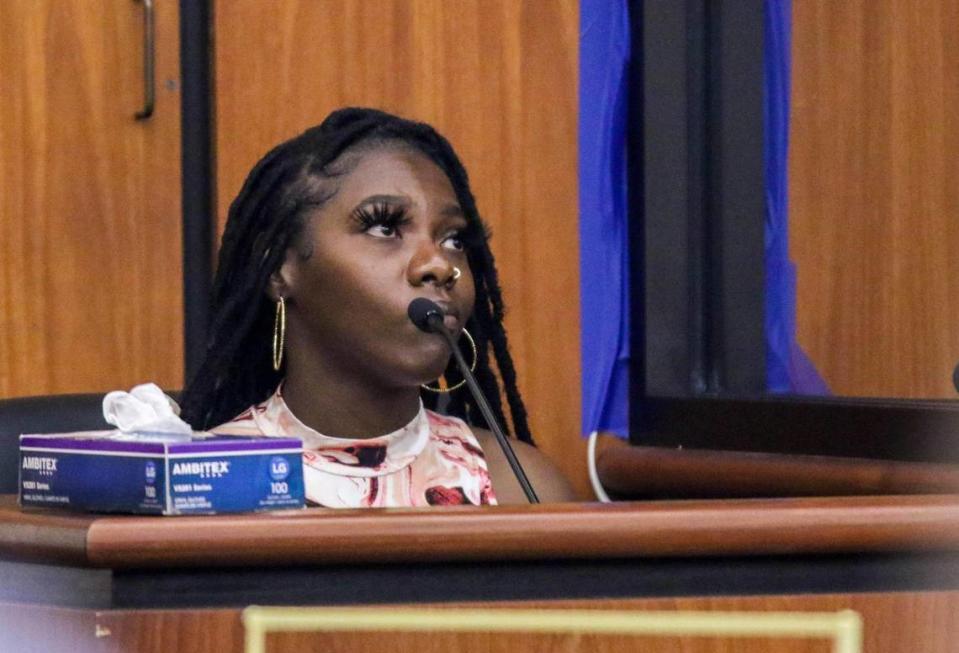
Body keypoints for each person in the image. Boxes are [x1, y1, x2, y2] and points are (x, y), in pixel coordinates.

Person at [180, 108, 575, 507]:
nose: (438, 264)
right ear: (280, 268)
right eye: (384, 227)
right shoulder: (204, 485)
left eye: (454, 239)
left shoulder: (520, 487)